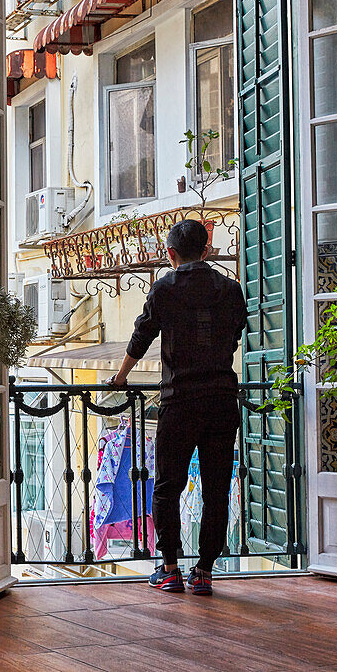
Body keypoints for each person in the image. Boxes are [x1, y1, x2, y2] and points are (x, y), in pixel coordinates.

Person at [106, 219, 246, 596]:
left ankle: (170, 568)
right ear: (207, 250)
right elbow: (236, 331)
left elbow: (142, 334)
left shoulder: (165, 288)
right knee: (216, 487)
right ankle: (204, 571)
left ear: (170, 254)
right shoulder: (230, 289)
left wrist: (120, 378)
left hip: (180, 401)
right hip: (221, 400)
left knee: (168, 485)